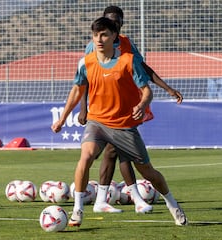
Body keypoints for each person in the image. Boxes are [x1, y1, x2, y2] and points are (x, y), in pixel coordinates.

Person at [51, 17, 188, 227]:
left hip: (124, 125)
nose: (99, 39)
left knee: (148, 172)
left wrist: (142, 104)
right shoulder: (85, 62)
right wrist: (61, 119)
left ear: (114, 37)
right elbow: (77, 90)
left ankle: (172, 203)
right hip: (97, 121)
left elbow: (146, 91)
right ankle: (77, 209)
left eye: (104, 34)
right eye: (95, 35)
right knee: (86, 157)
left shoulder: (128, 61)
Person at [78, 6, 184, 214]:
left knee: (120, 154)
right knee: (111, 151)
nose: (113, 23)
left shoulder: (127, 44)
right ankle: (133, 199)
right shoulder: (94, 47)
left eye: (117, 21)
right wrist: (84, 108)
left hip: (127, 106)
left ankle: (106, 199)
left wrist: (167, 88)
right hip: (102, 111)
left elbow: (143, 68)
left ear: (120, 25)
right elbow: (85, 79)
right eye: (110, 20)